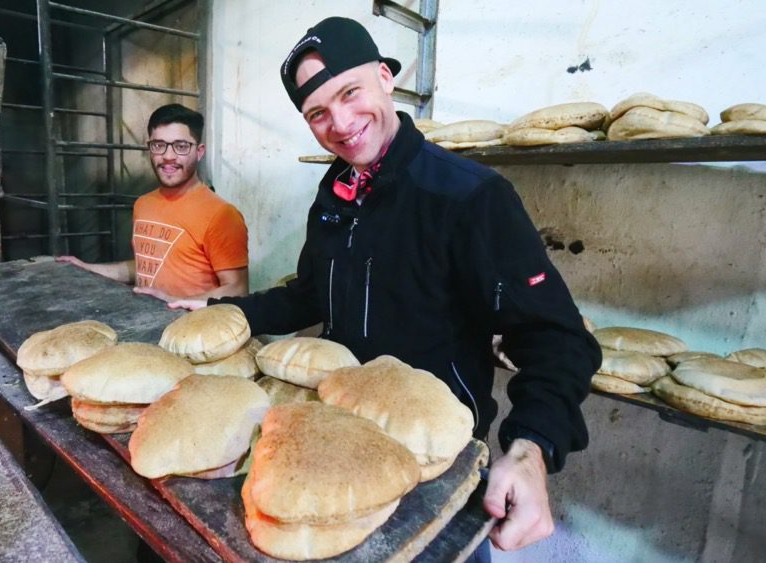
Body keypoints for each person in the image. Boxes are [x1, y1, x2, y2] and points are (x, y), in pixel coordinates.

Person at [165, 17, 601, 556]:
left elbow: (558, 338)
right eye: (317, 113)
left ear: (384, 78)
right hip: (336, 447)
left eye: (350, 93)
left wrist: (532, 447)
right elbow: (310, 294)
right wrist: (221, 309)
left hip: (433, 472)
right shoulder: (337, 190)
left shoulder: (469, 197)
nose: (341, 123)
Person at [58, 103, 249, 301]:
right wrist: (87, 269)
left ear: (199, 152)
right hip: (148, 325)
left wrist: (174, 302)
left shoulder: (222, 215)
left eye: (181, 146)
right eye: (159, 145)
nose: (168, 156)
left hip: (192, 329)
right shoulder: (143, 204)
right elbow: (145, 266)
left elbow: (237, 289)